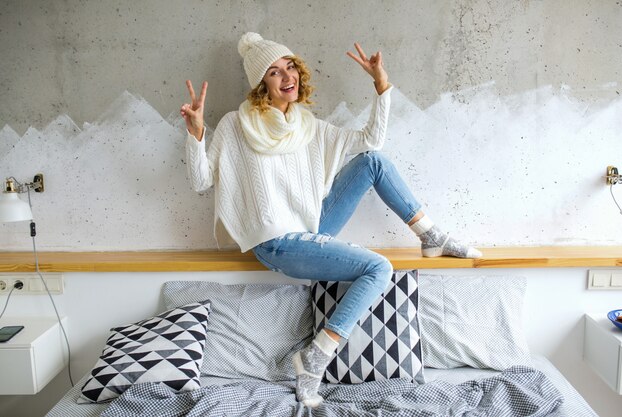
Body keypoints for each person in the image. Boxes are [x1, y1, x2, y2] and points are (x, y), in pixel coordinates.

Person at [181, 32, 482, 407]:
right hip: (276, 242)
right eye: (274, 72)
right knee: (379, 268)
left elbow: (371, 141)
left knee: (373, 162)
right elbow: (201, 182)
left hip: (310, 227)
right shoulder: (235, 126)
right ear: (262, 86)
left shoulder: (310, 127)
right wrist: (195, 135)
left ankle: (431, 235)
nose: (286, 76)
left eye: (290, 66)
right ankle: (316, 355)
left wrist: (381, 85)